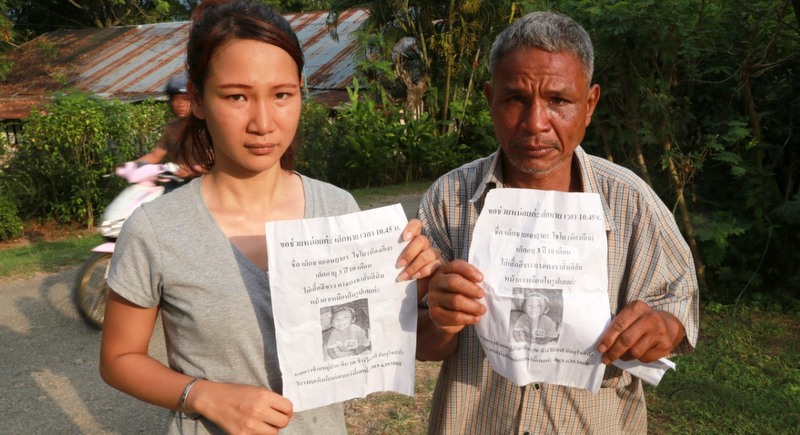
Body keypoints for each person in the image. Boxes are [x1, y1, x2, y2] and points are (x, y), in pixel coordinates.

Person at [99, 1, 440, 434]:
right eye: (236, 96)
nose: (263, 122)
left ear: (300, 91)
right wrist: (203, 394)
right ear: (198, 99)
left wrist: (416, 281)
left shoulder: (337, 209)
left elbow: (377, 336)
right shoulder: (156, 229)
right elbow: (118, 359)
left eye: (281, 95)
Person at [416, 11, 699, 433]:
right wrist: (442, 317)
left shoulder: (630, 201)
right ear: (490, 98)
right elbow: (422, 341)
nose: (535, 123)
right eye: (515, 99)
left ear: (590, 105)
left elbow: (679, 303)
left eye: (558, 101)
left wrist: (665, 327)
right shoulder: (449, 200)